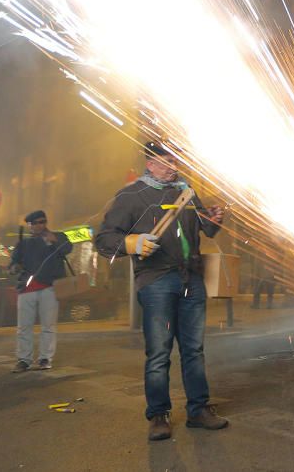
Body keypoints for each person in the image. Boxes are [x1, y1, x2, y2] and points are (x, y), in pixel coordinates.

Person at [95, 141, 228, 441]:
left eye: (176, 160)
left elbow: (206, 231)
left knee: (194, 350)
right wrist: (133, 243)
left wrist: (214, 221)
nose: (174, 166)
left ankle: (198, 410)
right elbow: (104, 239)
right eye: (167, 160)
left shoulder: (187, 193)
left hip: (191, 279)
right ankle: (158, 415)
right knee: (159, 353)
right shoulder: (131, 195)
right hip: (156, 281)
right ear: (151, 163)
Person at [9, 211, 72, 372]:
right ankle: (24, 359)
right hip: (27, 289)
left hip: (50, 288)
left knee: (48, 326)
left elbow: (67, 249)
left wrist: (55, 241)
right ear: (29, 225)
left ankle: (45, 358)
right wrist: (14, 268)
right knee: (24, 327)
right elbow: (13, 263)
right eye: (35, 223)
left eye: (42, 221)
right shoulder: (24, 243)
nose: (40, 225)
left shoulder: (57, 236)